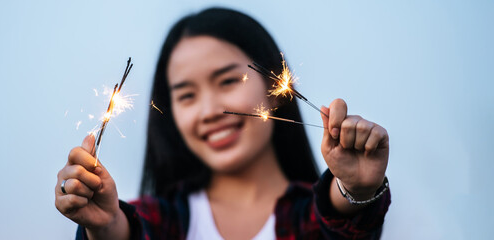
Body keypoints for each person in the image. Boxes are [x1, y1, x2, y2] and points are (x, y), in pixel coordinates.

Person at [55, 7, 391, 240]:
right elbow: (130, 231)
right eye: (187, 95)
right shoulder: (161, 223)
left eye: (228, 81)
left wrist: (355, 189)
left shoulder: (309, 219)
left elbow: (335, 221)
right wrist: (106, 225)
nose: (209, 110)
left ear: (276, 86)